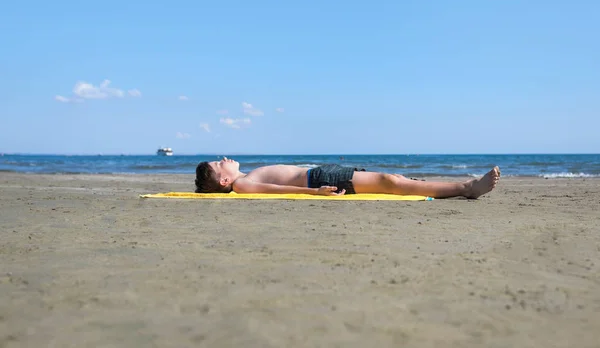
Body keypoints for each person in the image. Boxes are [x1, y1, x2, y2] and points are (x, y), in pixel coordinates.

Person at [195, 157, 500, 199]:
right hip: (318, 179)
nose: (224, 158)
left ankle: (463, 186)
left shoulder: (243, 178)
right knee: (391, 183)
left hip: (319, 174)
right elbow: (278, 188)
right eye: (219, 163)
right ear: (224, 181)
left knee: (392, 179)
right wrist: (317, 193)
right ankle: (467, 187)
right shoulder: (242, 184)